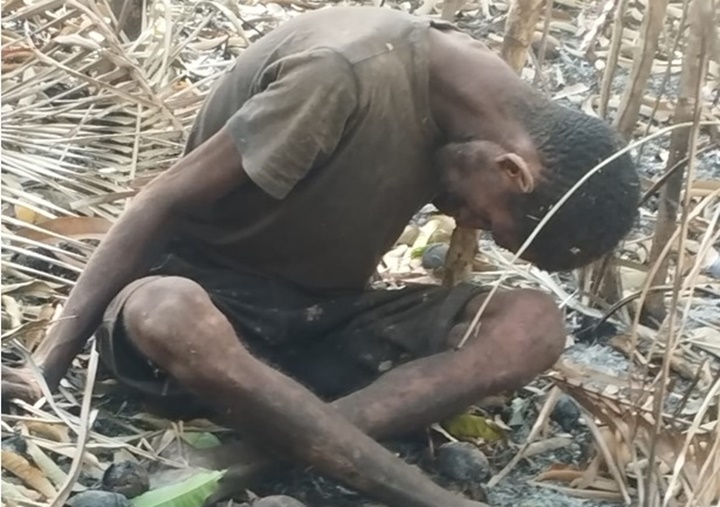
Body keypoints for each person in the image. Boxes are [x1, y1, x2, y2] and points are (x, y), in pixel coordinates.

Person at [2, 6, 640, 507]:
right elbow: (161, 200)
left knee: (533, 324)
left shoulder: (473, 108)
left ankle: (269, 450)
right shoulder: (342, 73)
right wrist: (47, 365)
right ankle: (418, 492)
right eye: (487, 217)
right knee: (169, 310)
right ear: (512, 171)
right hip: (206, 309)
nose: (463, 221)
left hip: (322, 319)